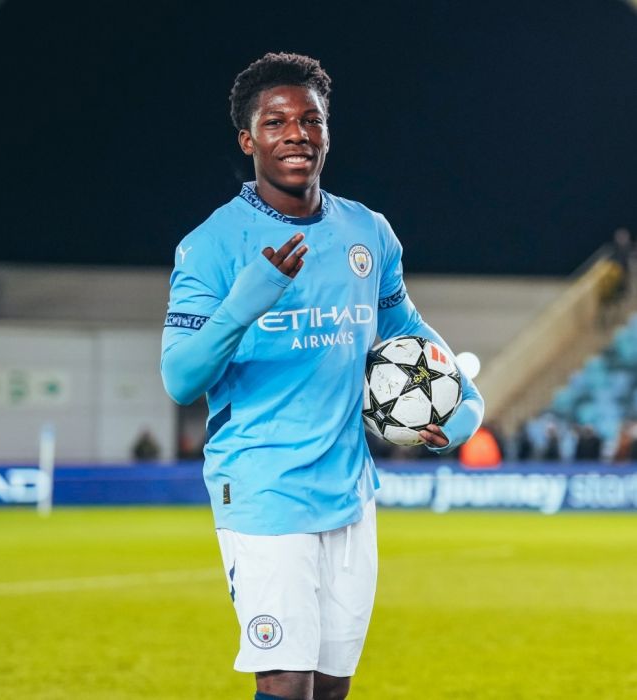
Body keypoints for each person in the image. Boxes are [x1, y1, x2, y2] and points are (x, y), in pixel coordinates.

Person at [160, 52, 484, 700]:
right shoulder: (212, 245)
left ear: (328, 132)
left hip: (349, 491)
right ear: (248, 140)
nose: (297, 134)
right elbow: (181, 378)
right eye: (276, 122)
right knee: (286, 681)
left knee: (333, 686)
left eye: (311, 120)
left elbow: (406, 327)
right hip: (262, 485)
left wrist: (465, 404)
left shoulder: (368, 232)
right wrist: (246, 301)